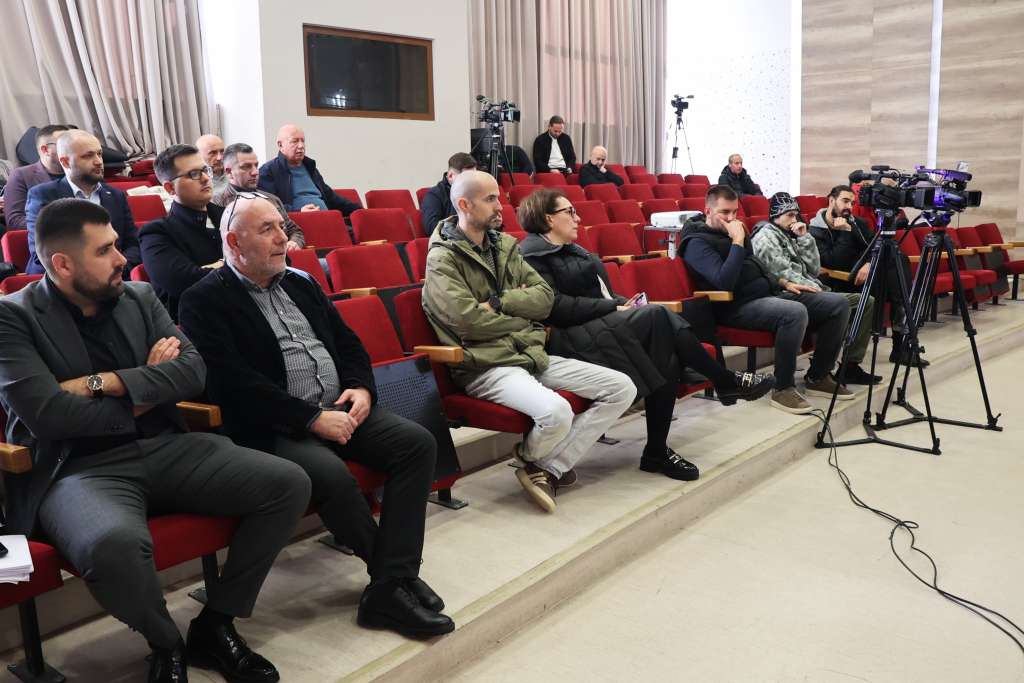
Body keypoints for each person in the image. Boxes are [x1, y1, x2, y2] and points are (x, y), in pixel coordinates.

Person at [0, 198, 311, 683]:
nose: (122, 258)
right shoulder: (13, 318)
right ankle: (166, 643)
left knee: (288, 483)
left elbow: (192, 371)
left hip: (166, 446)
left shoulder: (139, 296)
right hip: (78, 468)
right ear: (62, 264)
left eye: (116, 245)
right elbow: (50, 417)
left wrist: (105, 382)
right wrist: (148, 384)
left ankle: (216, 623)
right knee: (111, 545)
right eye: (104, 250)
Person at [179, 195, 455, 638]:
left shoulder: (301, 282)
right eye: (267, 229)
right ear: (233, 242)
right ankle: (392, 580)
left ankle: (392, 580)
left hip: (339, 405)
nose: (283, 237)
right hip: (272, 424)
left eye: (282, 226)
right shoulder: (203, 299)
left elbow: (347, 343)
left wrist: (361, 387)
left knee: (417, 444)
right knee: (331, 475)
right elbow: (233, 384)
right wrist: (310, 418)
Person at [517, 189, 774, 480]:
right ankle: (723, 380)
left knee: (663, 349)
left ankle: (656, 451)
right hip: (567, 339)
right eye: (569, 212)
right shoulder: (532, 256)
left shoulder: (573, 249)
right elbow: (554, 306)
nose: (578, 218)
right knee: (658, 316)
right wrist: (614, 306)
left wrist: (624, 303)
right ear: (549, 218)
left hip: (598, 326)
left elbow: (600, 293)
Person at [422, 170, 636, 512]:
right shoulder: (442, 259)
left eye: (498, 196)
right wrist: (522, 316)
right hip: (486, 365)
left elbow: (544, 298)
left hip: (529, 353)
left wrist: (499, 303)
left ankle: (543, 465)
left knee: (622, 387)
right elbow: (468, 323)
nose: (500, 205)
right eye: (490, 199)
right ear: (464, 205)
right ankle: (540, 463)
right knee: (557, 412)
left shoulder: (505, 246)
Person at [680, 185, 855, 414]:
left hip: (767, 293)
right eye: (724, 212)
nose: (731, 218)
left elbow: (756, 266)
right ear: (708, 211)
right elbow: (725, 281)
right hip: (734, 306)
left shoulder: (733, 232)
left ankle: (819, 376)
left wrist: (784, 282)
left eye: (735, 212)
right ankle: (783, 388)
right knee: (793, 312)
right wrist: (737, 241)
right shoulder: (697, 243)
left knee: (838, 304)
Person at [751, 192, 880, 386]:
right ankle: (819, 374)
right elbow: (782, 274)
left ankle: (850, 366)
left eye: (796, 215)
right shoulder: (765, 237)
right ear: (775, 216)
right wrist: (818, 289)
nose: (794, 220)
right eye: (789, 215)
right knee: (839, 303)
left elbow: (813, 269)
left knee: (866, 302)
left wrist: (804, 238)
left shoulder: (790, 234)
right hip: (787, 294)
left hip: (809, 289)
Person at [810, 184, 920, 366]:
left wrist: (870, 263)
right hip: (842, 280)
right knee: (898, 282)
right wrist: (845, 233)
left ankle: (900, 345)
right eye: (845, 201)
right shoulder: (815, 230)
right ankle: (900, 345)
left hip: (867, 275)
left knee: (899, 259)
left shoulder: (857, 222)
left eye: (852, 203)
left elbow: (875, 245)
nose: (849, 207)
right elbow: (833, 262)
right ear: (831, 200)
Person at [25, 130, 141, 276]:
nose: (98, 161)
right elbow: (42, 254)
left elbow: (133, 244)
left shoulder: (116, 196)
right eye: (88, 156)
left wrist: (116, 269)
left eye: (99, 154)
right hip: (64, 281)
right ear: (65, 162)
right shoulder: (43, 196)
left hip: (116, 276)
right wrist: (94, 274)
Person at [139, 144, 225, 321]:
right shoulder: (156, 233)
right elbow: (186, 283)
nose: (205, 178)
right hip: (197, 320)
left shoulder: (229, 215)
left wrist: (218, 265)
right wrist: (236, 264)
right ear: (170, 188)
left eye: (205, 170)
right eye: (193, 174)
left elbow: (266, 259)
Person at [212, 142, 306, 250]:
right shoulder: (217, 203)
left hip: (283, 255)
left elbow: (295, 231)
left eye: (256, 165)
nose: (255, 172)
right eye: (246, 167)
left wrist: (294, 242)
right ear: (229, 172)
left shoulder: (272, 199)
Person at [258, 124, 361, 215]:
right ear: (280, 145)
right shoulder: (268, 171)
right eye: (295, 141)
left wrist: (359, 210)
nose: (301, 146)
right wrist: (298, 211)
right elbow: (267, 206)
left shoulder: (310, 168)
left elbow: (331, 197)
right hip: (297, 224)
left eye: (303, 141)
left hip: (327, 219)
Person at [3, 124, 70, 230]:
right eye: (64, 144)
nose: (71, 148)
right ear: (45, 150)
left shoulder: (82, 172)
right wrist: (63, 226)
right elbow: (15, 221)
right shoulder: (22, 175)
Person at [420, 152, 477, 234]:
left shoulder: (477, 192)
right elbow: (432, 228)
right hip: (452, 240)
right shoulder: (434, 195)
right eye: (466, 177)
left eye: (474, 177)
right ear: (450, 176)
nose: (471, 182)